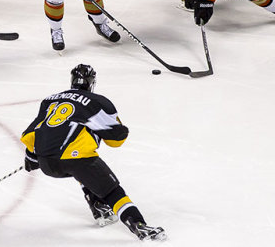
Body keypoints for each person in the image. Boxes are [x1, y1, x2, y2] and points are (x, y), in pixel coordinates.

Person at [21, 64, 167, 242]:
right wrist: (121, 130)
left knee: (81, 170)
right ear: (92, 82)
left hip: (47, 163)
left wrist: (31, 156)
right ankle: (139, 226)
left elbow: (33, 131)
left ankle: (98, 207)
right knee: (112, 191)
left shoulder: (50, 100)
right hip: (76, 161)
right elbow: (115, 140)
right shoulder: (97, 101)